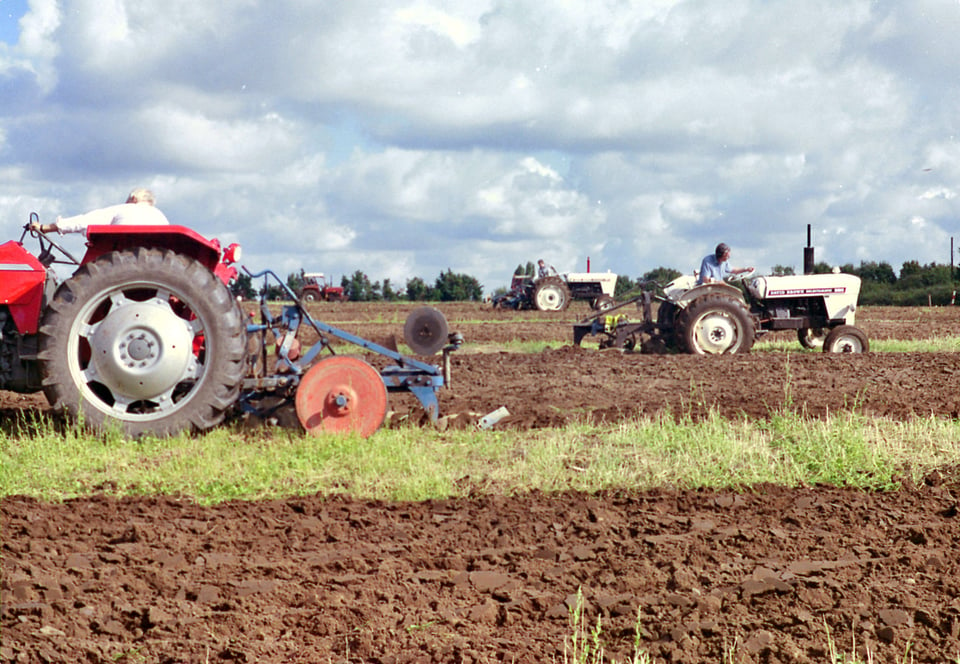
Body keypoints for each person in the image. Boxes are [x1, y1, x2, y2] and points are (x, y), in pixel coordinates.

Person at [31, 188, 170, 234]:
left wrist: (45, 228)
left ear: (133, 198)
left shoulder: (126, 209)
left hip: (120, 263)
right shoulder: (161, 218)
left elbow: (85, 222)